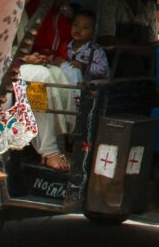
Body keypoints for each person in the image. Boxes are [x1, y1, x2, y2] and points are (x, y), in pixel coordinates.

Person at [20, 12, 108, 170]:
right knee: (40, 78)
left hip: (30, 60)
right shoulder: (67, 44)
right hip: (12, 63)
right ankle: (48, 150)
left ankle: (59, 144)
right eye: (76, 25)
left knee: (58, 74)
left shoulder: (93, 50)